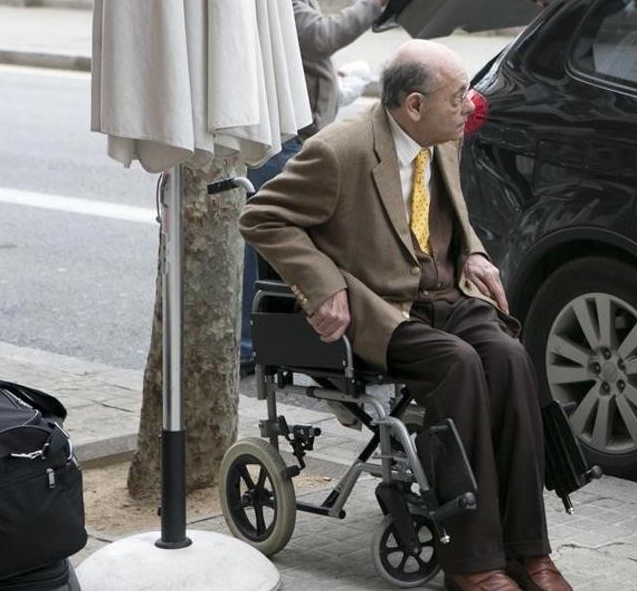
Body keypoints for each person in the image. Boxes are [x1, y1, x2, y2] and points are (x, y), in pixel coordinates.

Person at [239, 40, 573, 591]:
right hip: (385, 309)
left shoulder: (441, 136)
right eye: (457, 95)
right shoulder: (339, 151)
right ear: (413, 105)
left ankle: (528, 552)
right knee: (458, 366)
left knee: (511, 357)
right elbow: (262, 216)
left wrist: (476, 252)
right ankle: (471, 563)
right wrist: (323, 285)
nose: (469, 105)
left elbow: (452, 213)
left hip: (445, 293)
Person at [240, 0, 398, 372]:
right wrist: (376, 2)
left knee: (278, 244)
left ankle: (266, 341)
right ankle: (253, 345)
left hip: (299, 133)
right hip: (283, 141)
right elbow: (317, 37)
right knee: (273, 243)